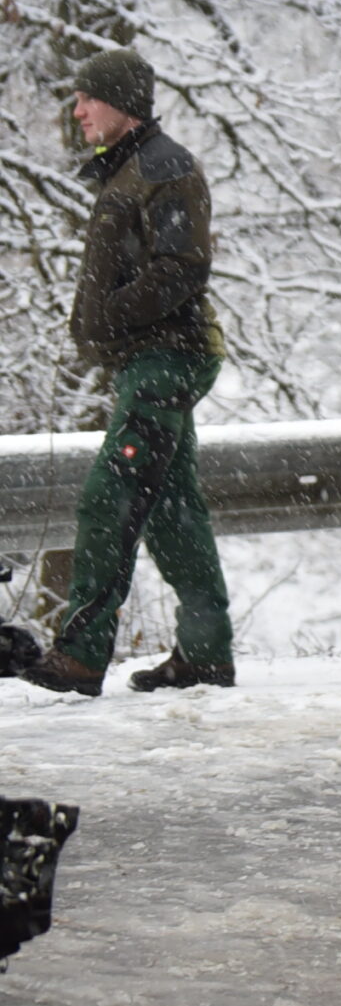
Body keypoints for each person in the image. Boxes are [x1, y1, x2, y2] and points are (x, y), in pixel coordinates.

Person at [24, 48, 236, 699]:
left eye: (89, 98)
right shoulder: (127, 169)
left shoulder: (164, 168)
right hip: (149, 361)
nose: (78, 111)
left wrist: (110, 317)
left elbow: (182, 268)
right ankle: (205, 655)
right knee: (172, 509)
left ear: (123, 102)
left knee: (107, 498)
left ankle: (81, 655)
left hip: (167, 360)